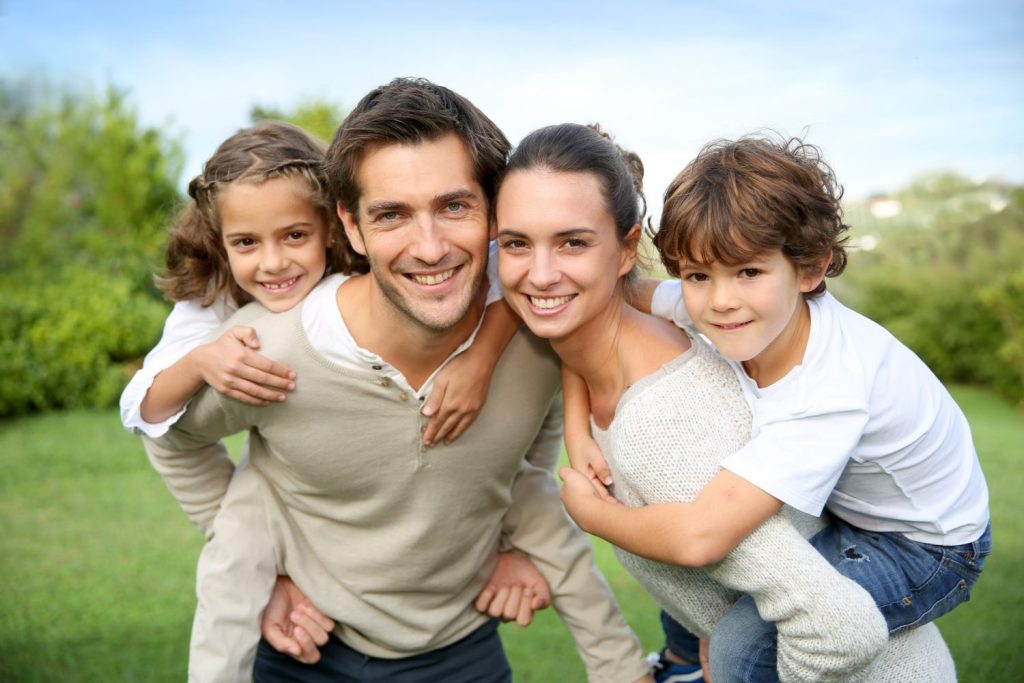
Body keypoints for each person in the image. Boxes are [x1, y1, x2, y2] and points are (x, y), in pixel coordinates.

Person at [143, 78, 652, 683]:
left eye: (454, 206)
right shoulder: (268, 350)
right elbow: (170, 436)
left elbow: (533, 439)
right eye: (392, 215)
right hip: (303, 648)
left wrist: (516, 547)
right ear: (350, 229)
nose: (430, 247)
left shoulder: (540, 331)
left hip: (460, 650)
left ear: (495, 212)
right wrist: (265, 570)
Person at [563, 133, 991, 681]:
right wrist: (577, 429)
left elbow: (701, 537)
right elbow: (595, 312)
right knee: (716, 590)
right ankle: (680, 660)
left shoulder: (825, 393)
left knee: (742, 645)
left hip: (927, 546)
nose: (719, 300)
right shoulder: (725, 306)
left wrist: (595, 515)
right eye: (697, 275)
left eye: (749, 272)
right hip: (856, 507)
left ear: (810, 270)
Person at [120, 120, 529, 680]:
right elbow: (144, 409)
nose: (272, 263)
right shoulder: (212, 302)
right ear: (221, 241)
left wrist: (479, 358)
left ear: (334, 228)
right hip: (274, 504)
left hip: (443, 614)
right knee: (232, 575)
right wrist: (199, 361)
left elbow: (508, 286)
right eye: (246, 242)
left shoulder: (376, 270)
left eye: (294, 236)